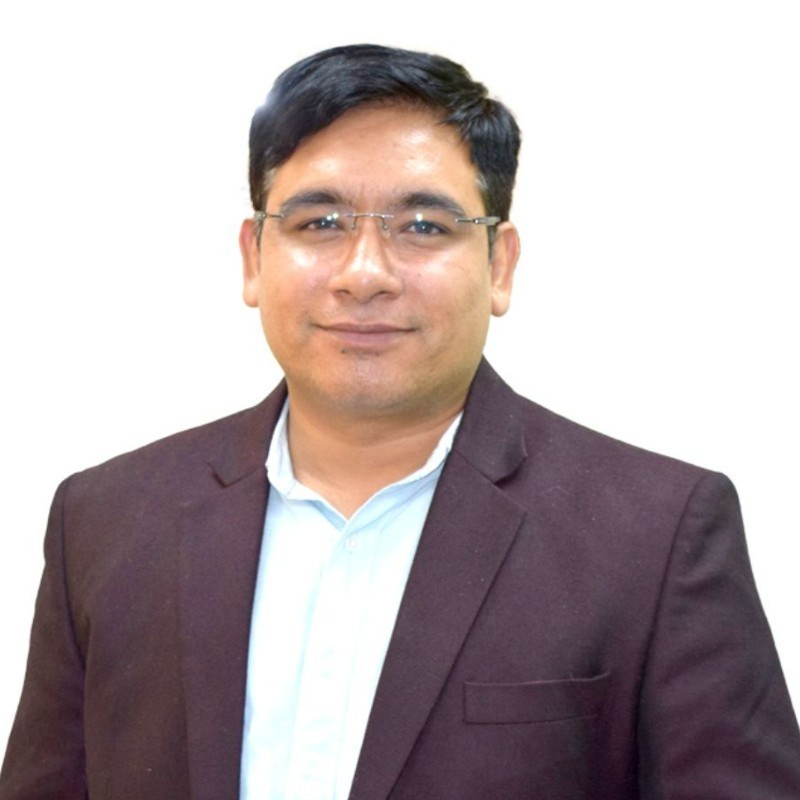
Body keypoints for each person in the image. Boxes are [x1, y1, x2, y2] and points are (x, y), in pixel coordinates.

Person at [1, 43, 799, 800]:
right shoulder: (104, 521)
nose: (365, 274)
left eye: (423, 227)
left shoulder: (656, 535)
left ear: (499, 265)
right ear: (253, 257)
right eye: (320, 223)